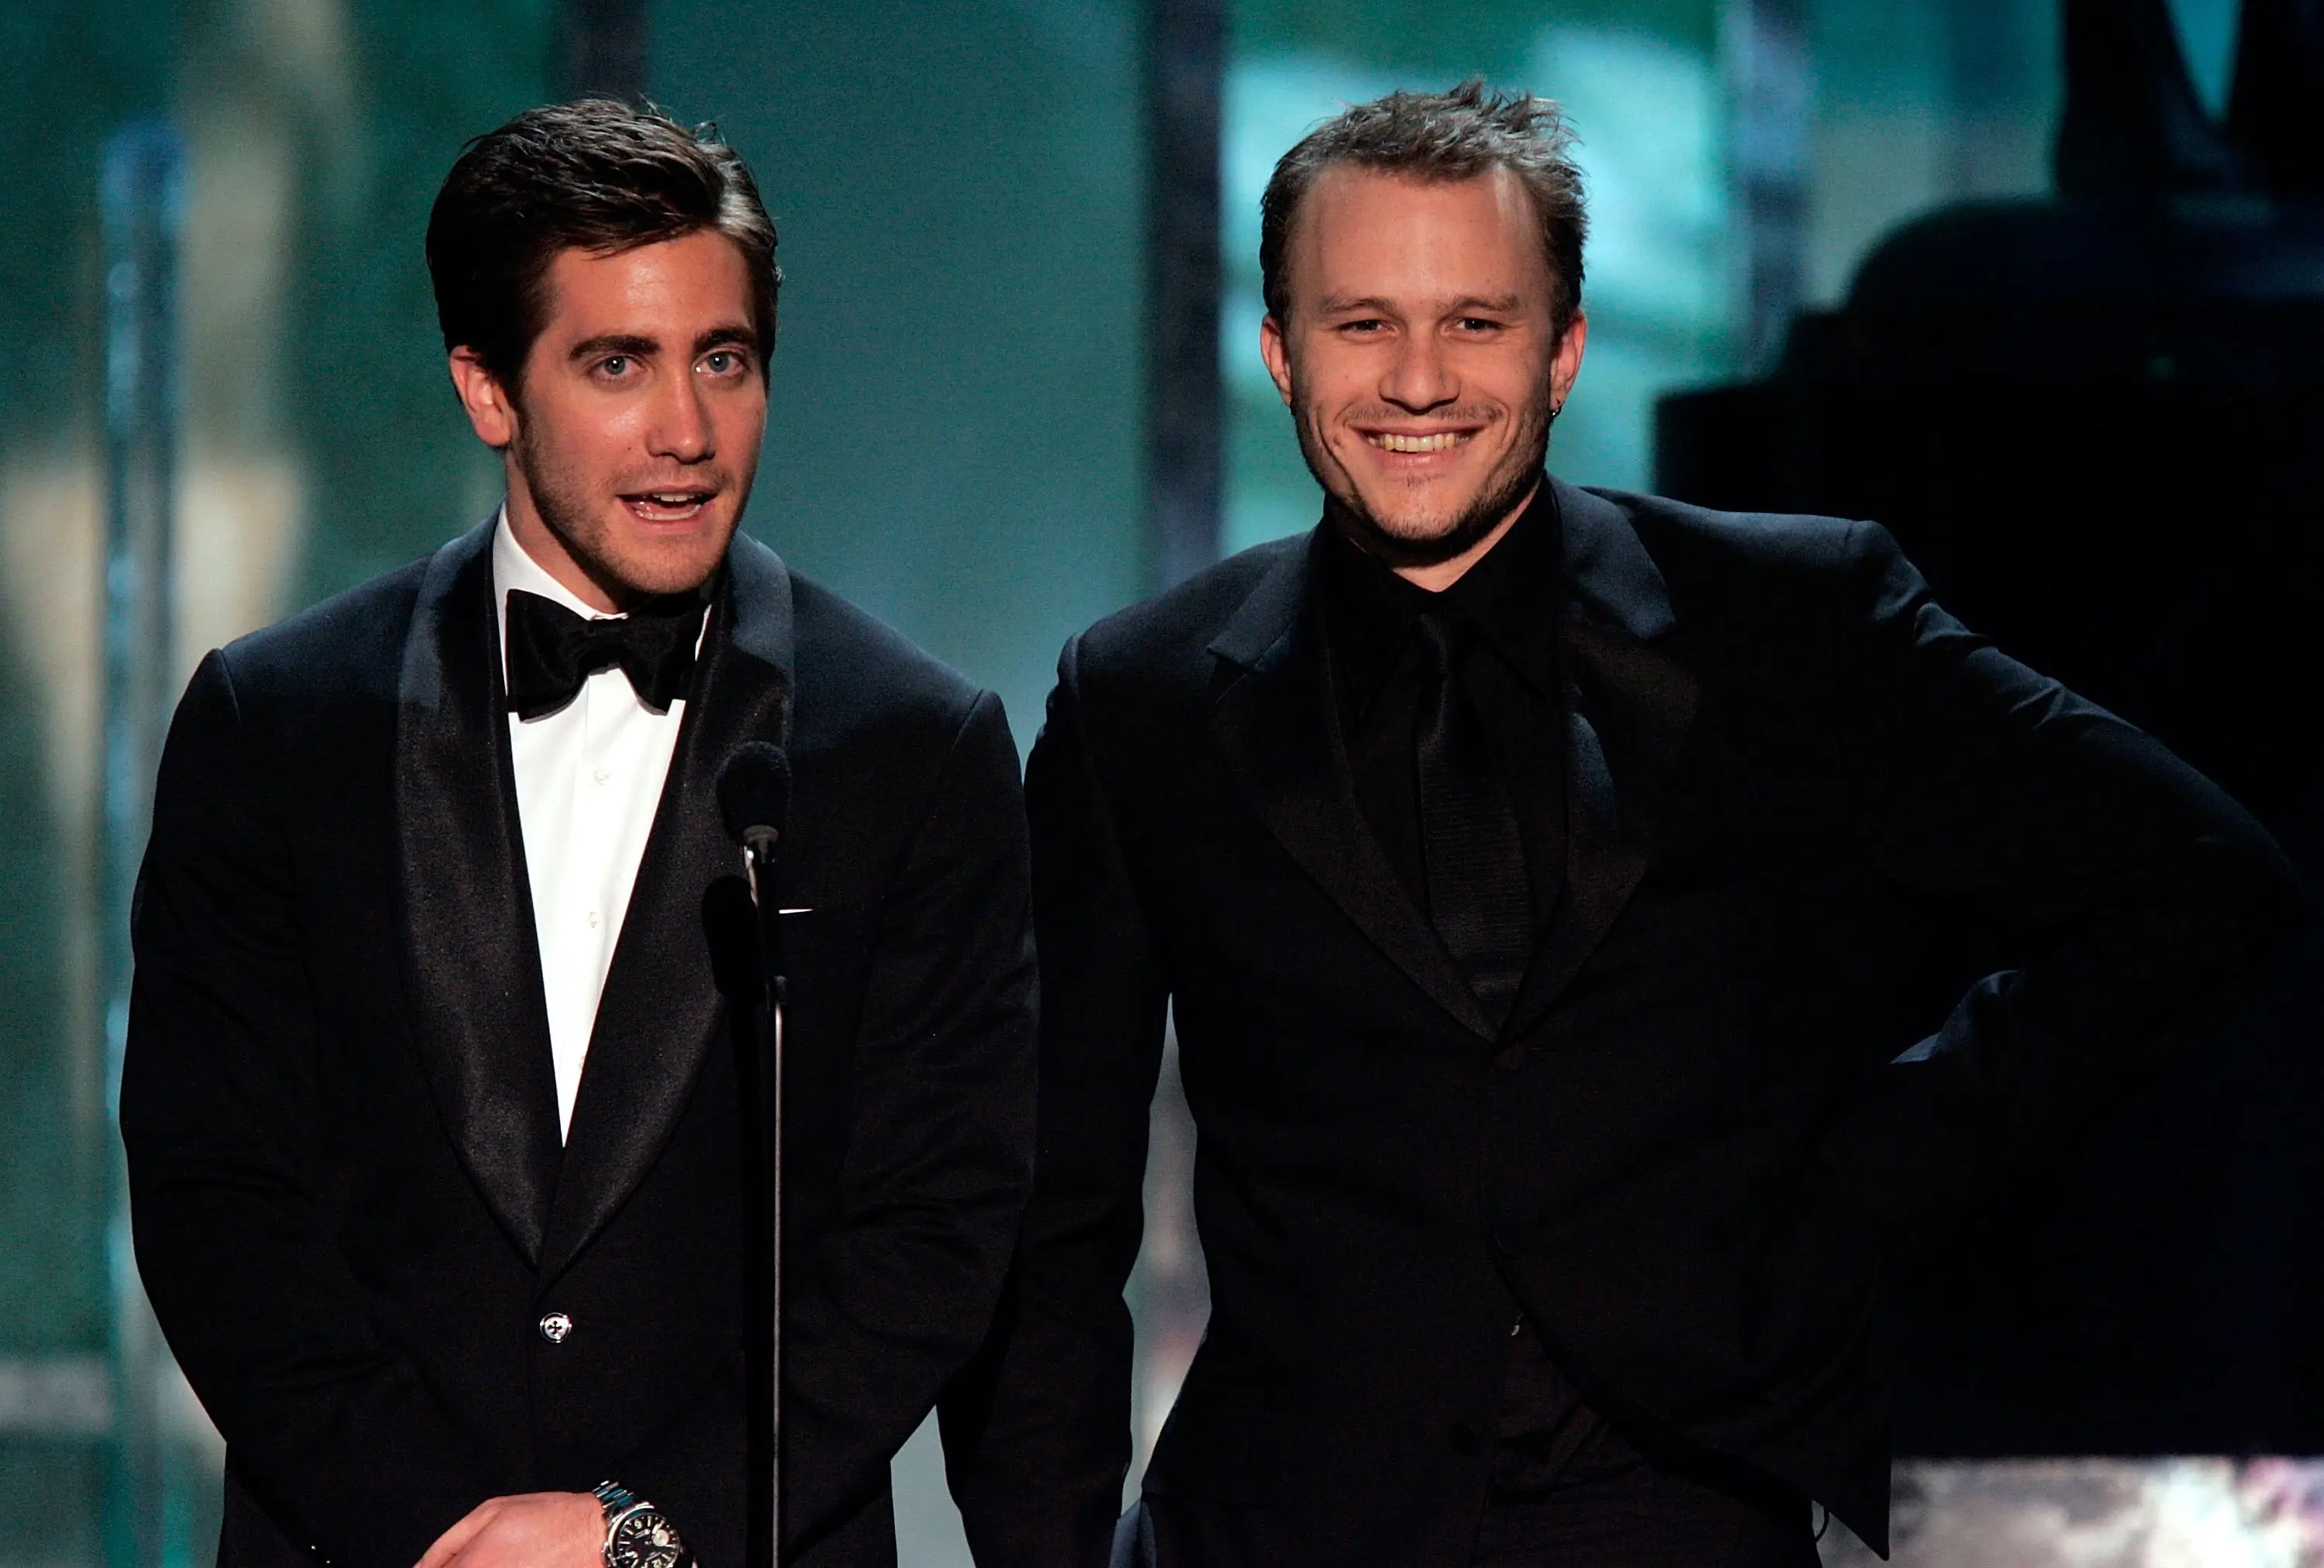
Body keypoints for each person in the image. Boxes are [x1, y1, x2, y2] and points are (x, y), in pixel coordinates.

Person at [939, 81, 2298, 1568]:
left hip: (1678, 1509)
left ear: (1565, 348)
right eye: (1360, 322)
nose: (1416, 379)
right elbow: (1043, 1211)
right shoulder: (1143, 696)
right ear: (1279, 351)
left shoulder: (1791, 621)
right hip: (1279, 1524)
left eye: (1476, 321)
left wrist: (1856, 1178)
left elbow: (2199, 885)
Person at [121, 100, 1037, 1568]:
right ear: (488, 388)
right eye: (619, 365)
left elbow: (936, 1229)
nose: (687, 433)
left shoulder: (913, 749)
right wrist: (438, 1532)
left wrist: (642, 1528)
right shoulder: (276, 724)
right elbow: (213, 1193)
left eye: (722, 361)